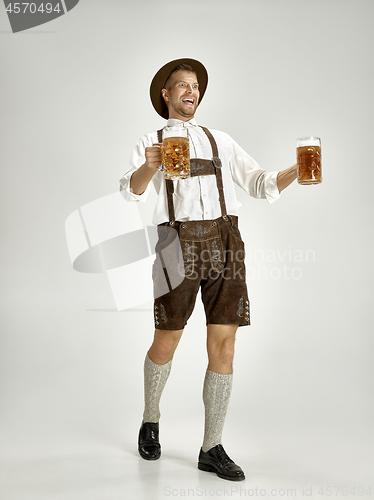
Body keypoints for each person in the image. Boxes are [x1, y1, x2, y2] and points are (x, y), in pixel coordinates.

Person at [119, 58, 297, 481]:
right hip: (174, 244)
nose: (190, 91)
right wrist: (150, 163)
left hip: (226, 241)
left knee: (225, 347)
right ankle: (150, 417)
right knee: (166, 342)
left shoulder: (220, 140)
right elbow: (131, 192)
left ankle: (211, 446)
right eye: (181, 85)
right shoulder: (152, 140)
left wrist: (298, 171)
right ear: (165, 94)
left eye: (195, 85)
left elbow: (259, 183)